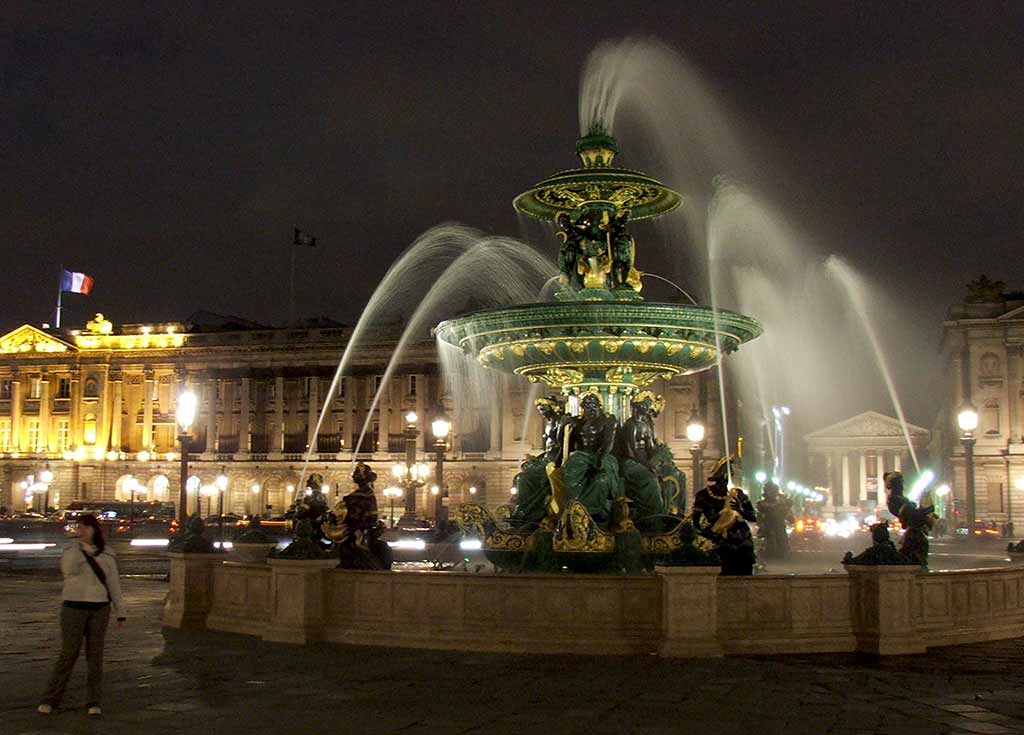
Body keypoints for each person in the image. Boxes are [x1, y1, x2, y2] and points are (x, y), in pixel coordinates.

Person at [39, 514, 126, 717]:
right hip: (73, 607)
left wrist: (120, 611)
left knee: (95, 656)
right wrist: (78, 548)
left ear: (95, 529)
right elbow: (67, 571)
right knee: (68, 654)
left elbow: (114, 584)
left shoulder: (107, 555)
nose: (82, 531)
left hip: (99, 607)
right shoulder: (71, 550)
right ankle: (50, 699)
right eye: (80, 527)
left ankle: (93, 701)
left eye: (86, 527)